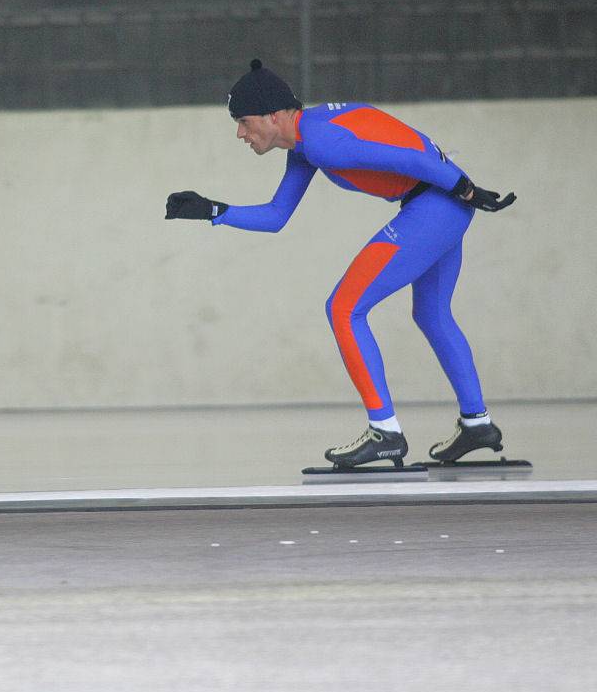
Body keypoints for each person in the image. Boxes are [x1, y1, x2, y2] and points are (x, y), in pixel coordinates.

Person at [165, 60, 515, 468]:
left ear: (273, 115)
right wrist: (213, 210)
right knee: (433, 315)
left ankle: (385, 432)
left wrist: (468, 190)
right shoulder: (306, 146)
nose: (240, 133)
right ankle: (477, 424)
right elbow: (277, 216)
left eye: (243, 121)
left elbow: (414, 162)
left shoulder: (321, 140)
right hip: (442, 204)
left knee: (344, 308)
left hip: (437, 204)